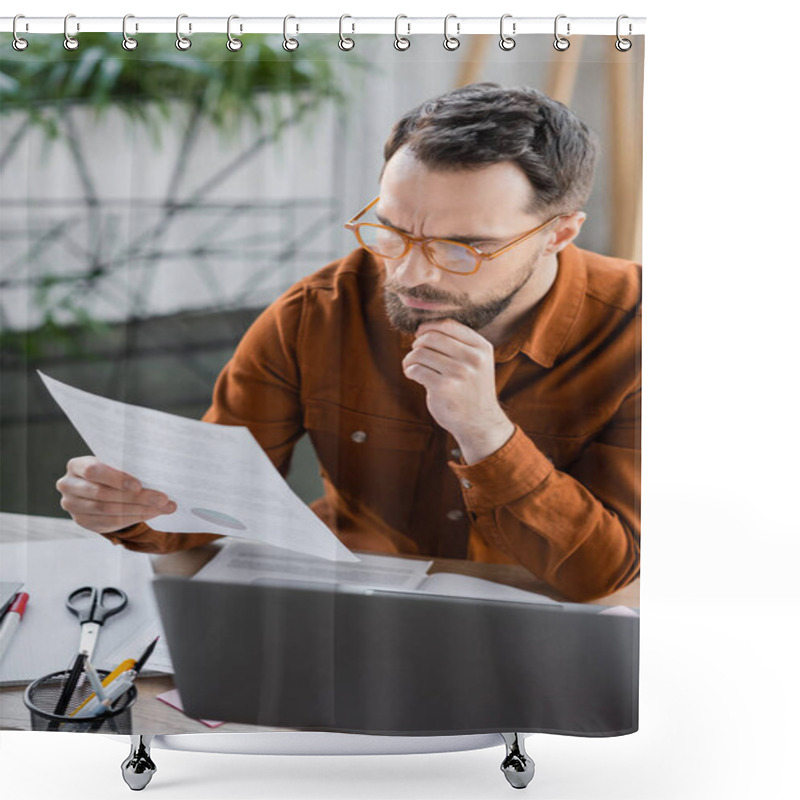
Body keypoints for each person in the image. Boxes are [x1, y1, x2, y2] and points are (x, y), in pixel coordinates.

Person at [55, 83, 641, 603]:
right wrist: (127, 508)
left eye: (464, 248)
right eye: (392, 232)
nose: (411, 274)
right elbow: (209, 506)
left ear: (559, 233)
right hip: (350, 598)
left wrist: (487, 433)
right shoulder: (318, 312)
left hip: (533, 619)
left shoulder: (644, 333)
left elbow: (602, 575)